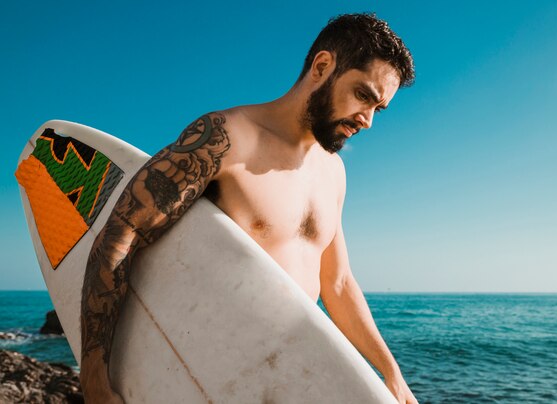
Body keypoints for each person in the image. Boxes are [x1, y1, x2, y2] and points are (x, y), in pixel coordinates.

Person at [79, 12, 418, 404]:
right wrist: (94, 376)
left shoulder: (334, 171)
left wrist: (390, 374)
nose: (369, 121)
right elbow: (121, 235)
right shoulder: (227, 138)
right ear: (322, 66)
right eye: (363, 96)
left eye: (380, 108)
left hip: (275, 377)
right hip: (201, 366)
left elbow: (337, 283)